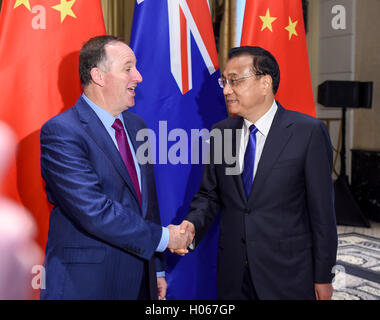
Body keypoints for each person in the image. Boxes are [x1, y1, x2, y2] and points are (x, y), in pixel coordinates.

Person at [173, 46, 338, 300]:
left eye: (235, 80)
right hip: (233, 273)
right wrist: (192, 226)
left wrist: (323, 275)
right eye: (224, 82)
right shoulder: (222, 133)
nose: (227, 90)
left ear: (265, 83)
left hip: (287, 274)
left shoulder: (308, 132)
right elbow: (210, 194)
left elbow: (322, 214)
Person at [40, 35, 190, 300]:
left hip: (141, 280)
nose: (139, 77)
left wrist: (156, 269)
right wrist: (166, 239)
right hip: (87, 284)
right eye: (128, 68)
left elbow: (147, 205)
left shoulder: (137, 127)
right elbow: (93, 209)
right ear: (98, 75)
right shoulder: (62, 132)